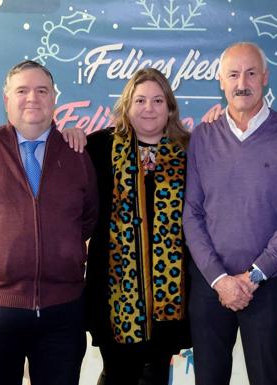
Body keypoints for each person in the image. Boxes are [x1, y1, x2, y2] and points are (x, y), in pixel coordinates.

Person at [0, 60, 98, 385]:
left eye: (42, 91)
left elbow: (88, 218)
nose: (32, 98)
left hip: (62, 309)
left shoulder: (76, 153)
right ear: (6, 99)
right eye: (22, 90)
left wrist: (60, 250)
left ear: (54, 98)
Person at [183, 41, 277, 385]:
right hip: (210, 285)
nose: (243, 82)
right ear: (221, 81)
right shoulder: (202, 136)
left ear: (265, 78)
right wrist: (220, 279)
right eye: (234, 74)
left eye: (251, 73)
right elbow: (192, 214)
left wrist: (252, 276)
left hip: (267, 286)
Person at [84, 67, 191, 385]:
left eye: (158, 100)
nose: (149, 108)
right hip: (114, 294)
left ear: (169, 107)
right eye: (140, 100)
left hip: (167, 298)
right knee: (117, 374)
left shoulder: (188, 152)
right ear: (126, 107)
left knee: (157, 374)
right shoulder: (98, 148)